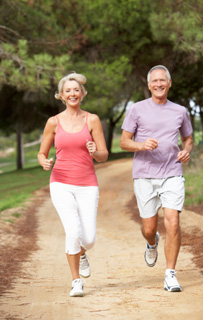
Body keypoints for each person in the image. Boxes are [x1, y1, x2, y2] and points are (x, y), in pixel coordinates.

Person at [120, 65, 193, 292]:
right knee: (149, 227)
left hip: (172, 172)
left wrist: (186, 150)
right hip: (144, 175)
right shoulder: (137, 109)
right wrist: (141, 145)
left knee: (173, 221)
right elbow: (124, 142)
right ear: (149, 85)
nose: (159, 84)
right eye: (155, 81)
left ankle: (170, 274)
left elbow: (188, 138)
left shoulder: (180, 111)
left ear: (169, 83)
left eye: (163, 80)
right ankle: (152, 242)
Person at [37, 72, 108, 297]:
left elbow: (104, 155)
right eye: (68, 90)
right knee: (72, 231)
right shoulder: (53, 122)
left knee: (89, 239)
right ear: (61, 95)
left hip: (87, 183)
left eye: (76, 90)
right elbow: (41, 152)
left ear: (82, 93)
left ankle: (82, 252)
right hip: (60, 182)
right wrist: (44, 162)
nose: (72, 93)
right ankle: (76, 281)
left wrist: (95, 152)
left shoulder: (92, 120)